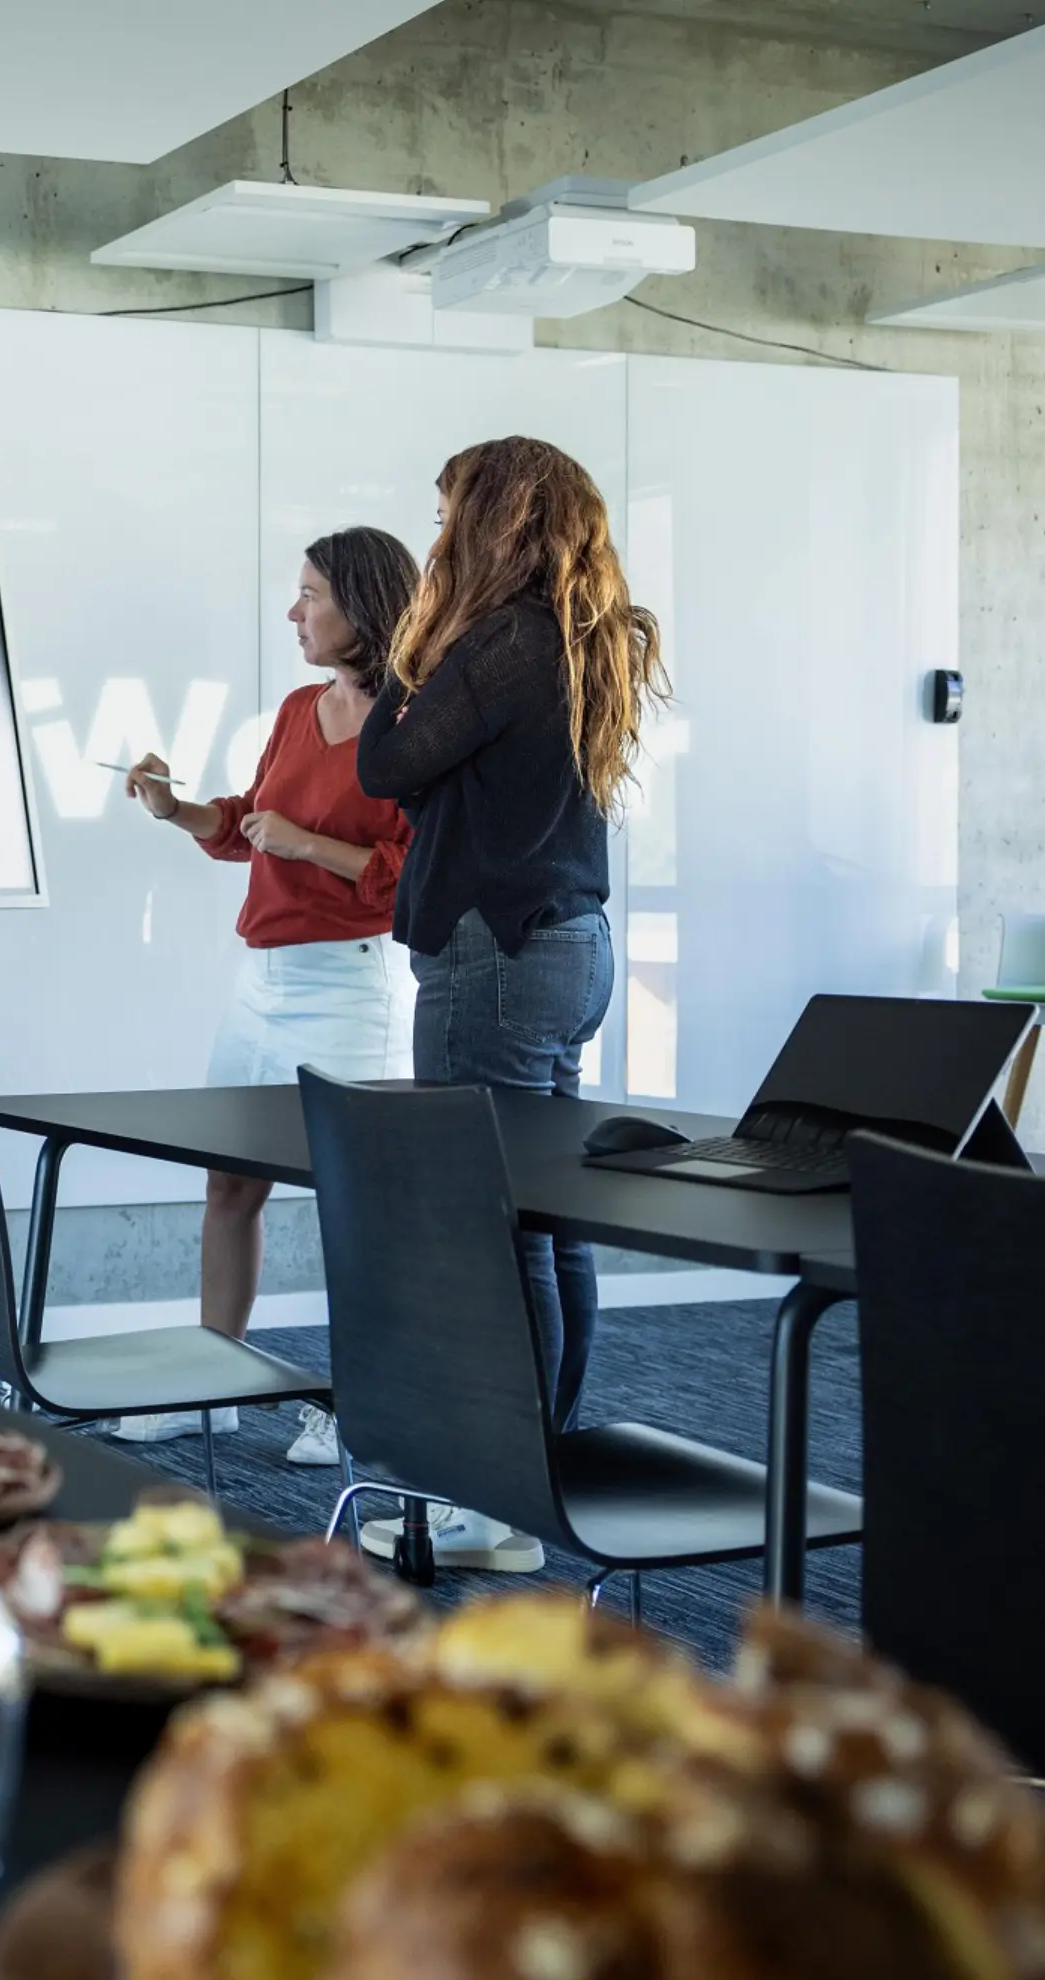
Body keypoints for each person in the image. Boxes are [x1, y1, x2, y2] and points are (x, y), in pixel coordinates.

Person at [352, 434, 666, 1574]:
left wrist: (412, 638)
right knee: (546, 1219)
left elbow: (385, 766)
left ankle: (503, 1502)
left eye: (446, 514)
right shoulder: (590, 638)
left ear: (486, 521)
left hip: (492, 958)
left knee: (489, 1228)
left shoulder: (495, 642)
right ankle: (548, 1462)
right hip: (571, 946)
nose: (434, 533)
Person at [120, 527, 421, 1466]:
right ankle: (217, 1381)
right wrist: (176, 810)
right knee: (228, 1183)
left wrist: (308, 846)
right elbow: (249, 824)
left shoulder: (417, 725)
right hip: (263, 982)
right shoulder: (299, 708)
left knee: (355, 1207)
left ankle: (360, 1402)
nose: (294, 612)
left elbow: (413, 874)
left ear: (363, 607)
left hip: (347, 986)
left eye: (311, 596)